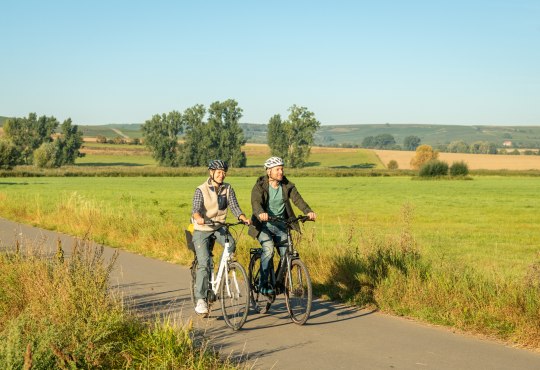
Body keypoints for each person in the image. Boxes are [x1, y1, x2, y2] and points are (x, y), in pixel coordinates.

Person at [248, 156, 316, 295]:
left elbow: (298, 200)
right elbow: (256, 203)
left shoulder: (287, 185)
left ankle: (278, 282)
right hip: (263, 225)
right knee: (268, 249)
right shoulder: (260, 186)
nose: (281, 172)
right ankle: (263, 283)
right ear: (269, 172)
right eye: (277, 169)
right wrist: (261, 213)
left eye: (282, 169)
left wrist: (308, 211)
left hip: (281, 225)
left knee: (287, 254)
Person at [191, 159, 250, 316]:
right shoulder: (201, 189)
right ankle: (201, 299)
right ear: (211, 173)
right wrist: (199, 218)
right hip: (202, 229)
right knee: (204, 263)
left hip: (219, 227)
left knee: (231, 244)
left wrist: (243, 218)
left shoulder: (228, 188)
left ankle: (224, 270)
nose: (222, 175)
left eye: (224, 172)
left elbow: (235, 206)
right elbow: (196, 209)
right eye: (219, 172)